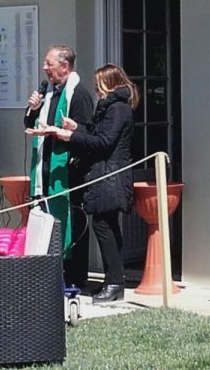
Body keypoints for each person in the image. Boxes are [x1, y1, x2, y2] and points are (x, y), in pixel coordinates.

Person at [50, 63, 138, 303]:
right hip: (107, 173)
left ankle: (114, 282)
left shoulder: (117, 109)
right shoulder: (112, 108)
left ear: (109, 85)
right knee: (106, 227)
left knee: (104, 227)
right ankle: (113, 281)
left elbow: (104, 143)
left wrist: (71, 136)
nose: (96, 90)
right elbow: (99, 135)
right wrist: (77, 128)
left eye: (99, 85)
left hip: (110, 175)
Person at [24, 45, 94, 287]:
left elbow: (87, 134)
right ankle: (48, 273)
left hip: (68, 172)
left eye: (49, 64)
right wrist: (33, 110)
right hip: (44, 170)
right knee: (46, 223)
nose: (45, 68)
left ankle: (74, 277)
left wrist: (64, 131)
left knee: (71, 222)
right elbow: (31, 124)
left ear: (64, 66)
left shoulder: (79, 94)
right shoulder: (48, 92)